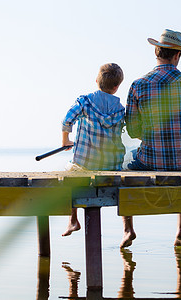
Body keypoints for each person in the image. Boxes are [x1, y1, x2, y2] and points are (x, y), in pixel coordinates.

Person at [122, 29, 181, 248]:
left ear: (157, 52)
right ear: (177, 55)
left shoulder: (138, 85)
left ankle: (128, 229)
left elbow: (133, 131)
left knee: (124, 163)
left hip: (150, 159)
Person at [61, 63, 125, 236]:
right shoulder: (120, 109)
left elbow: (67, 120)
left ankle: (73, 220)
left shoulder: (85, 101)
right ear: (116, 87)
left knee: (68, 175)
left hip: (85, 164)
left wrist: (66, 140)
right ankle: (128, 229)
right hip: (112, 165)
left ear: (96, 80)